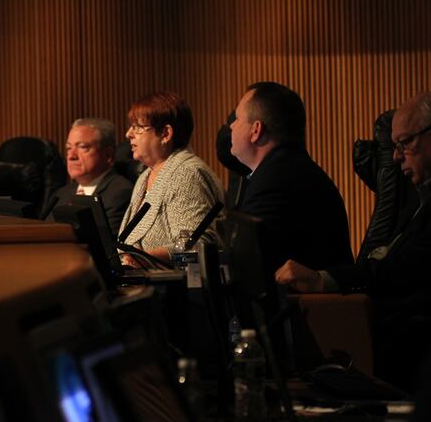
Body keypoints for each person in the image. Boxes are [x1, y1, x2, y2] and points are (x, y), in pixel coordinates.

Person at [275, 92, 431, 391]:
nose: (396, 156)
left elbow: (403, 270)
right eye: (394, 146)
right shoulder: (417, 195)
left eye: (404, 143)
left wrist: (322, 279)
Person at [229, 82, 353, 277]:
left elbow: (248, 268)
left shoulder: (275, 181)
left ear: (256, 130)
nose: (231, 126)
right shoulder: (286, 167)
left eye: (237, 119)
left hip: (308, 297)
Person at [119, 91, 224, 265]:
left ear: (165, 134)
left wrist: (145, 258)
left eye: (137, 127)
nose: (128, 134)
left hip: (178, 281)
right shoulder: (145, 175)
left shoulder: (186, 174)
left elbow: (197, 247)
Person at [50, 118, 133, 233]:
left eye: (83, 147)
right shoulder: (61, 194)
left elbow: (105, 241)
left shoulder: (119, 192)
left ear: (108, 155)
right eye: (69, 148)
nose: (71, 156)